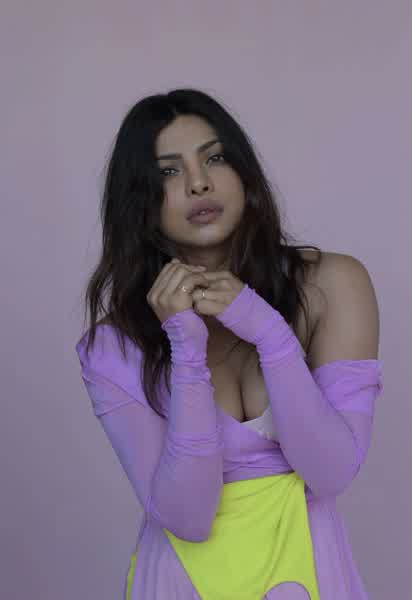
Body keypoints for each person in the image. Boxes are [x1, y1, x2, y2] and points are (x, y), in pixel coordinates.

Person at [75, 88, 383, 599]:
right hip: (181, 583)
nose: (199, 182)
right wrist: (185, 350)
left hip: (310, 578)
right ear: (139, 199)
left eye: (215, 158)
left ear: (244, 173)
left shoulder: (332, 285)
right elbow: (189, 517)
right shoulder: (113, 344)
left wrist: (268, 332)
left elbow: (330, 472)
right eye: (168, 171)